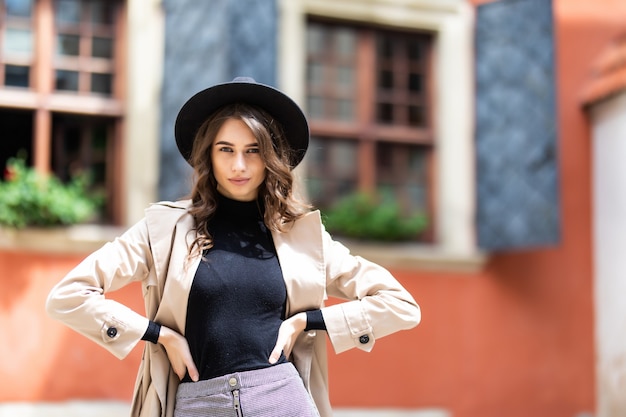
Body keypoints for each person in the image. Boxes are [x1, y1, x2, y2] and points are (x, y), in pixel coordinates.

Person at [46, 77, 421, 417]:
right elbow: (68, 295)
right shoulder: (163, 231)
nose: (238, 164)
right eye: (226, 149)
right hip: (197, 403)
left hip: (280, 399)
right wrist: (158, 335)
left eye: (253, 150)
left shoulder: (302, 236)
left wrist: (310, 321)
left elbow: (400, 305)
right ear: (208, 154)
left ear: (270, 157)